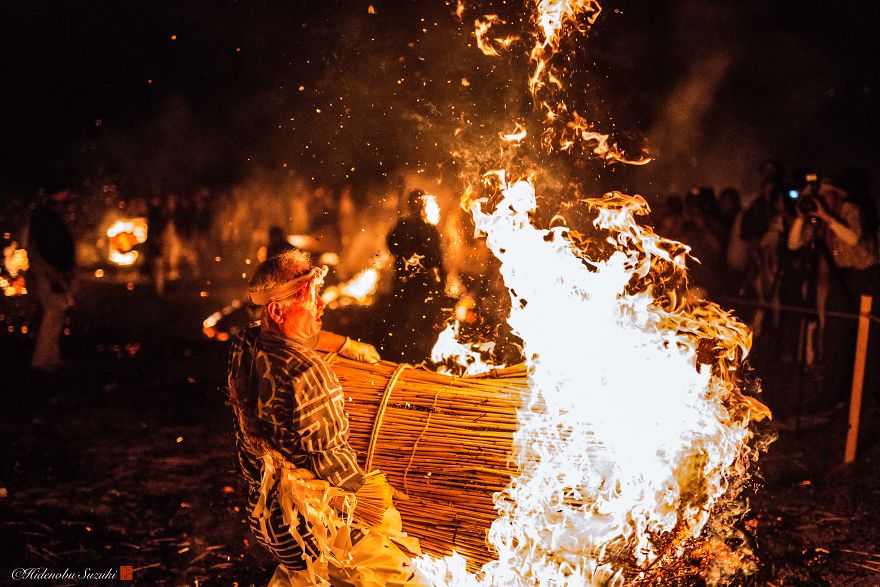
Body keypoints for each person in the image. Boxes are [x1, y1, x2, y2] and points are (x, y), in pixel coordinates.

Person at [227, 250, 422, 586]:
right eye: (313, 298)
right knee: (404, 577)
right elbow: (337, 470)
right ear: (277, 309)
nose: (322, 306)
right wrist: (379, 499)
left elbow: (286, 333)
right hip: (316, 530)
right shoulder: (307, 374)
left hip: (266, 517)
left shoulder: (245, 344)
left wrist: (344, 343)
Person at [788, 175, 880, 407]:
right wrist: (801, 218)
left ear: (837, 194)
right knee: (834, 337)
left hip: (865, 276)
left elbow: (854, 238)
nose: (822, 200)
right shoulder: (817, 219)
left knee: (867, 338)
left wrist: (827, 218)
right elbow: (793, 245)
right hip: (840, 279)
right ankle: (831, 395)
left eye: (826, 195)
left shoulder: (849, 210)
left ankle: (869, 396)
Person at [384, 189, 446, 362]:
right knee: (402, 320)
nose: (418, 204)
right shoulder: (403, 225)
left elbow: (436, 256)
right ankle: (399, 356)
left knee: (421, 321)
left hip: (423, 283)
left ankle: (418, 356)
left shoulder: (429, 228)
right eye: (415, 201)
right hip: (404, 281)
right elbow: (392, 246)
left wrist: (442, 279)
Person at [27, 185, 75, 372]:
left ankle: (52, 357)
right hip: (48, 271)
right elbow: (47, 247)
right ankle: (40, 360)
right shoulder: (43, 217)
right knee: (52, 312)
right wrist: (55, 271)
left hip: (55, 269)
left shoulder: (48, 215)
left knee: (57, 312)